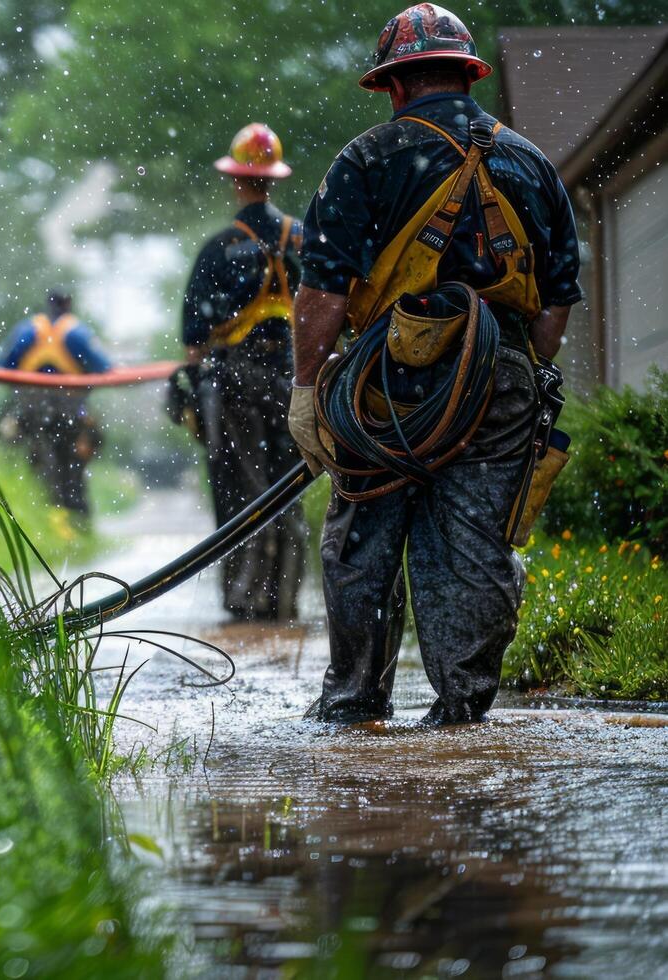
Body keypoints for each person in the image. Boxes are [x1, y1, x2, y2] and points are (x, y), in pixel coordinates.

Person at [287, 4, 582, 725]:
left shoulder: (365, 159)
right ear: (465, 74)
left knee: (362, 539)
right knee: (475, 543)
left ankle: (355, 703)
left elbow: (321, 290)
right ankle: (461, 713)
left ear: (392, 85)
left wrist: (304, 389)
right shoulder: (531, 162)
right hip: (501, 377)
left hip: (387, 385)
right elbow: (555, 301)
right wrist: (507, 369)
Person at [179, 123, 309, 621]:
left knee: (240, 488)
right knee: (289, 487)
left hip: (235, 383)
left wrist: (194, 384)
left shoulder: (220, 248)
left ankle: (245, 598)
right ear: (273, 179)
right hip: (296, 381)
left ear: (236, 180)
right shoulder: (304, 239)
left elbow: (193, 338)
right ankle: (286, 598)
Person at [0, 287, 111, 514]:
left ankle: (39, 510)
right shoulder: (79, 333)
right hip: (70, 414)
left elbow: (2, 364)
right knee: (73, 465)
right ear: (69, 305)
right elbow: (104, 368)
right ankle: (72, 513)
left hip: (29, 411)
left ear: (48, 304)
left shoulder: (26, 331)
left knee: (32, 458)